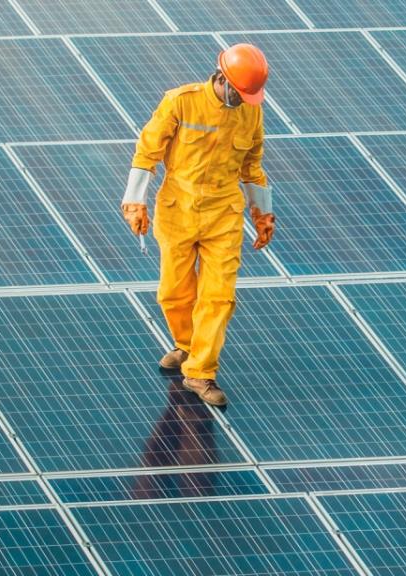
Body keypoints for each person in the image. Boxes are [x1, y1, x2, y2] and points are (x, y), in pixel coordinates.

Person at [120, 44, 276, 407]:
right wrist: (134, 201)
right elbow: (147, 153)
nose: (244, 101)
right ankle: (187, 346)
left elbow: (252, 166)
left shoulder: (251, 112)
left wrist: (262, 213)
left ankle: (201, 372)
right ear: (221, 78)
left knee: (219, 296)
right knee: (174, 292)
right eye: (239, 93)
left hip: (224, 214)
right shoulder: (180, 102)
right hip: (179, 210)